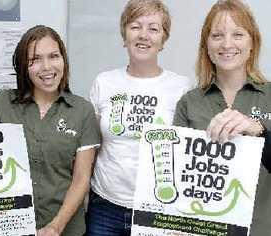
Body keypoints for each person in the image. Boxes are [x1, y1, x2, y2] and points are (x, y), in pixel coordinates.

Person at [0, 25, 100, 236]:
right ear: (24, 67)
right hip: (10, 227)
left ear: (63, 60)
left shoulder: (82, 110)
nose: (47, 67)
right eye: (35, 60)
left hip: (65, 229)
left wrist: (55, 227)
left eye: (53, 56)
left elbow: (81, 179)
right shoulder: (3, 102)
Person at [86, 0, 192, 235]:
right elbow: (92, 147)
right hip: (105, 206)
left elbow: (185, 154)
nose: (144, 35)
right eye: (135, 26)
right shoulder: (104, 82)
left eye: (153, 29)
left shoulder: (181, 87)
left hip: (157, 209)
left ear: (163, 40)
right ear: (124, 34)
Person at [173, 0, 271, 235]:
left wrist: (257, 130)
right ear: (206, 45)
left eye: (237, 34)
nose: (227, 44)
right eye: (217, 35)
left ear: (252, 43)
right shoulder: (189, 102)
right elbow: (178, 176)